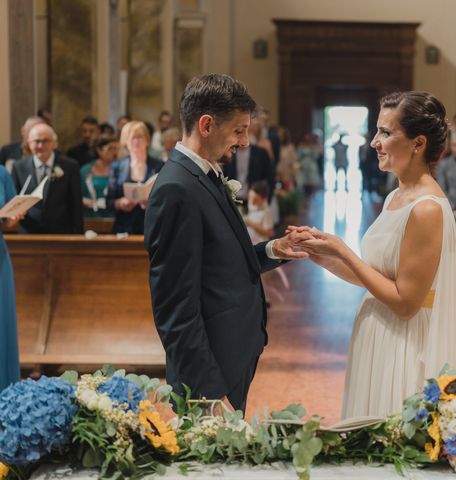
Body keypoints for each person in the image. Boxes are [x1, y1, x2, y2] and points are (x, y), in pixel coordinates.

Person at [293, 91, 456, 417]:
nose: (374, 141)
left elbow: (405, 302)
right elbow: (378, 275)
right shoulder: (396, 196)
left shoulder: (427, 209)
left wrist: (344, 251)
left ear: (418, 144)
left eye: (386, 133)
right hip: (377, 333)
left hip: (403, 344)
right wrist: (324, 255)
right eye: (377, 131)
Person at [144, 73, 309, 413]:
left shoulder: (205, 175)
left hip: (230, 354)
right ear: (206, 125)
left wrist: (272, 250)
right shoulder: (177, 189)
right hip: (208, 373)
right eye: (238, 130)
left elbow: (221, 259)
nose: (246, 141)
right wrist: (208, 394)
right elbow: (175, 307)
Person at [11, 123, 83, 234]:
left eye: (45, 141)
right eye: (36, 141)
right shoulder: (18, 167)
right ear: (29, 143)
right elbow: (14, 198)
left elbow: (76, 204)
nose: (40, 146)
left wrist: (78, 236)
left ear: (54, 143)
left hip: (61, 233)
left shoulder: (70, 166)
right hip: (29, 233)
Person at [107, 121, 164, 234]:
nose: (136, 141)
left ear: (147, 140)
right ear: (125, 142)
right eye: (132, 137)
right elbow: (109, 201)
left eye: (140, 137)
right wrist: (121, 203)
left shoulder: (160, 166)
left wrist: (151, 203)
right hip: (124, 227)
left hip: (152, 227)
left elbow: (166, 199)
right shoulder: (117, 166)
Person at [0, 166, 23, 391]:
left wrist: (13, 217)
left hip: (0, 256)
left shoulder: (2, 173)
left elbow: (7, 222)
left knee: (2, 322)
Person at [80, 136, 118, 218]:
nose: (114, 152)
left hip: (113, 215)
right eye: (110, 148)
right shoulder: (86, 170)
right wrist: (85, 201)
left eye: (116, 148)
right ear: (99, 150)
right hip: (90, 214)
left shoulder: (120, 169)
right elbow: (77, 194)